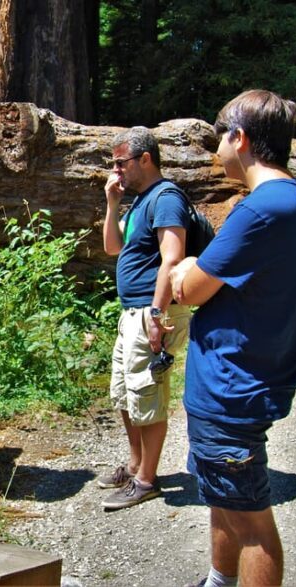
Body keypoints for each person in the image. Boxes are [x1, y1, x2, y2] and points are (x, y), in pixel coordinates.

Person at [170, 90, 296, 587]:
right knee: (224, 499)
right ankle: (218, 582)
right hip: (234, 384)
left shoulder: (260, 211)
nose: (217, 151)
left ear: (241, 138)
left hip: (234, 388)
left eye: (220, 138)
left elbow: (188, 288)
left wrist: (186, 265)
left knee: (251, 520)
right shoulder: (284, 198)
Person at [99, 126, 192, 510]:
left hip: (151, 312)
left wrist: (157, 313)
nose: (115, 170)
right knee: (125, 394)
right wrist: (111, 204)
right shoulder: (139, 202)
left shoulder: (166, 197)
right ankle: (136, 464)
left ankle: (146, 480)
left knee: (147, 394)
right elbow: (112, 248)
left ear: (145, 159)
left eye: (121, 162)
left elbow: (172, 257)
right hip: (132, 313)